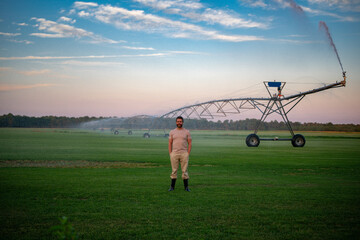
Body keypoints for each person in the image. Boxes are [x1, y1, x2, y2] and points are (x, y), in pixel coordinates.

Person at [168, 116, 192, 192]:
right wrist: (170, 153)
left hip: (184, 153)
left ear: (182, 122)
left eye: (180, 121)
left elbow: (190, 143)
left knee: (184, 171)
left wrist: (187, 153)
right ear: (176, 122)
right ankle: (172, 187)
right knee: (174, 171)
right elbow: (170, 143)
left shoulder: (187, 132)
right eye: (178, 121)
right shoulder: (172, 132)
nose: (179, 123)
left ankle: (186, 187)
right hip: (174, 153)